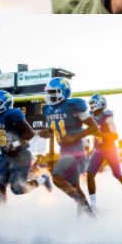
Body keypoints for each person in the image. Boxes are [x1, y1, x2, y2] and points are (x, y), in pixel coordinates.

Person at [39, 78, 98, 216]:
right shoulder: (48, 109)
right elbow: (52, 130)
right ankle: (90, 216)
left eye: (54, 92)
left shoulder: (73, 106)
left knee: (57, 177)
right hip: (64, 150)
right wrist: (46, 133)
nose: (51, 95)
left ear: (64, 92)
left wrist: (74, 137)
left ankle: (81, 205)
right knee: (75, 185)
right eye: (49, 92)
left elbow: (94, 127)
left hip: (76, 148)